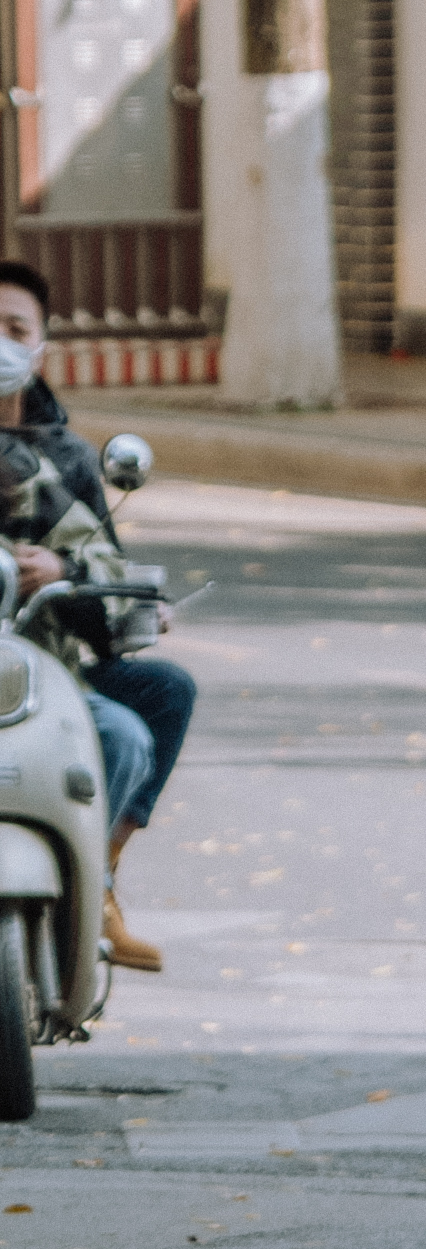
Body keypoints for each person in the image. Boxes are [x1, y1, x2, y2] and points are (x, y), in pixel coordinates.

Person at [0, 261, 192, 975]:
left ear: (42, 345)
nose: (2, 343)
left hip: (49, 672)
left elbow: (107, 573)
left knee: (146, 712)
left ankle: (97, 877)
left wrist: (64, 572)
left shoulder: (72, 459)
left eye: (15, 329)